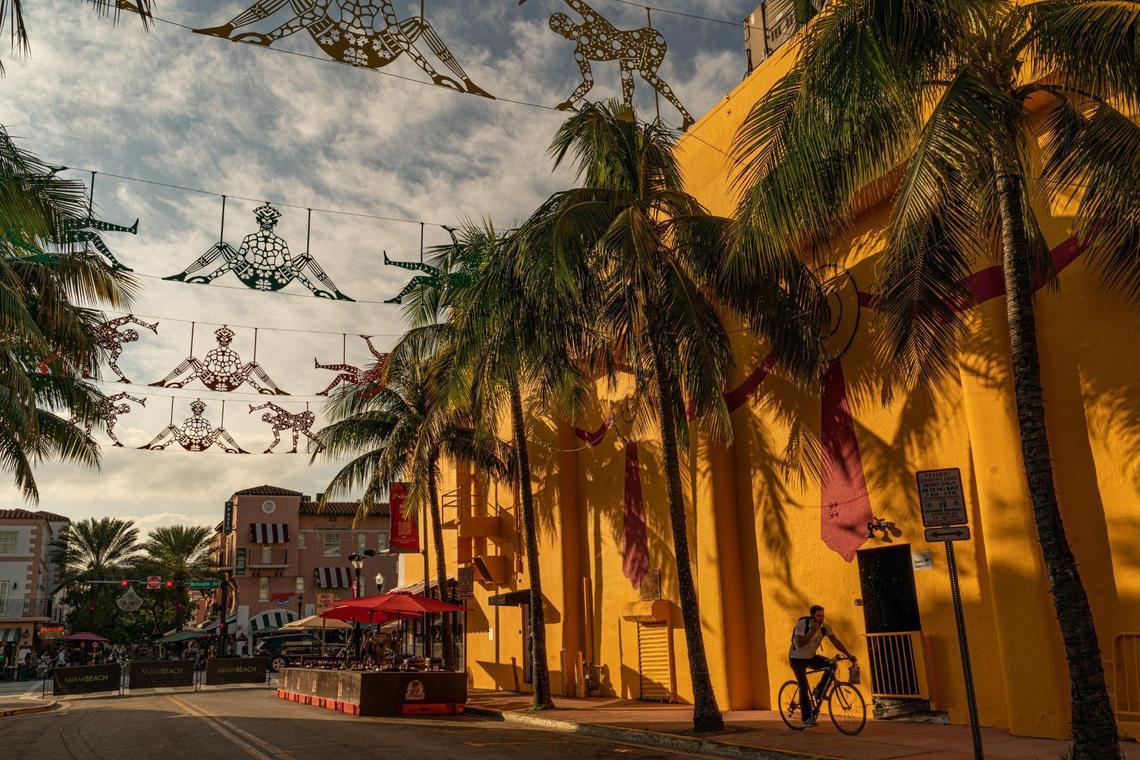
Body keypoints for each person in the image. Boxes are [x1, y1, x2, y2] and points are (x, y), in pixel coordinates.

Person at [789, 605, 855, 727]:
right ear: (812, 616)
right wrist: (812, 631)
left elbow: (836, 641)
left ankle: (818, 691)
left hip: (810, 657)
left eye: (823, 616)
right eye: (819, 616)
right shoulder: (803, 624)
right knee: (803, 686)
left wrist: (848, 654)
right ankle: (807, 718)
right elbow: (800, 642)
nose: (821, 618)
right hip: (796, 659)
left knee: (831, 664)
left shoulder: (825, 628)